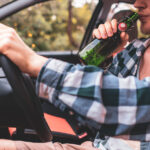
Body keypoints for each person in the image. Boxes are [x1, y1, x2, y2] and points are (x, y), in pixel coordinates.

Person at [0, 0, 149, 149]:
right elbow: (101, 90)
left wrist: (33, 62)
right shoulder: (135, 49)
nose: (137, 4)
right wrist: (104, 55)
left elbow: (131, 102)